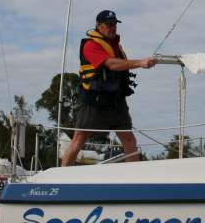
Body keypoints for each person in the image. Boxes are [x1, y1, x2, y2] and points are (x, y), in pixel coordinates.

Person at [62, 10, 157, 166]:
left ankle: (136, 176)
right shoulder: (90, 45)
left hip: (116, 101)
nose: (113, 27)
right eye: (109, 24)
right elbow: (111, 64)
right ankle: (61, 175)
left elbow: (121, 66)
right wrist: (140, 63)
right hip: (94, 101)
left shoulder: (117, 47)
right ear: (99, 26)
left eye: (115, 24)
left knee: (129, 139)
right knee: (79, 139)